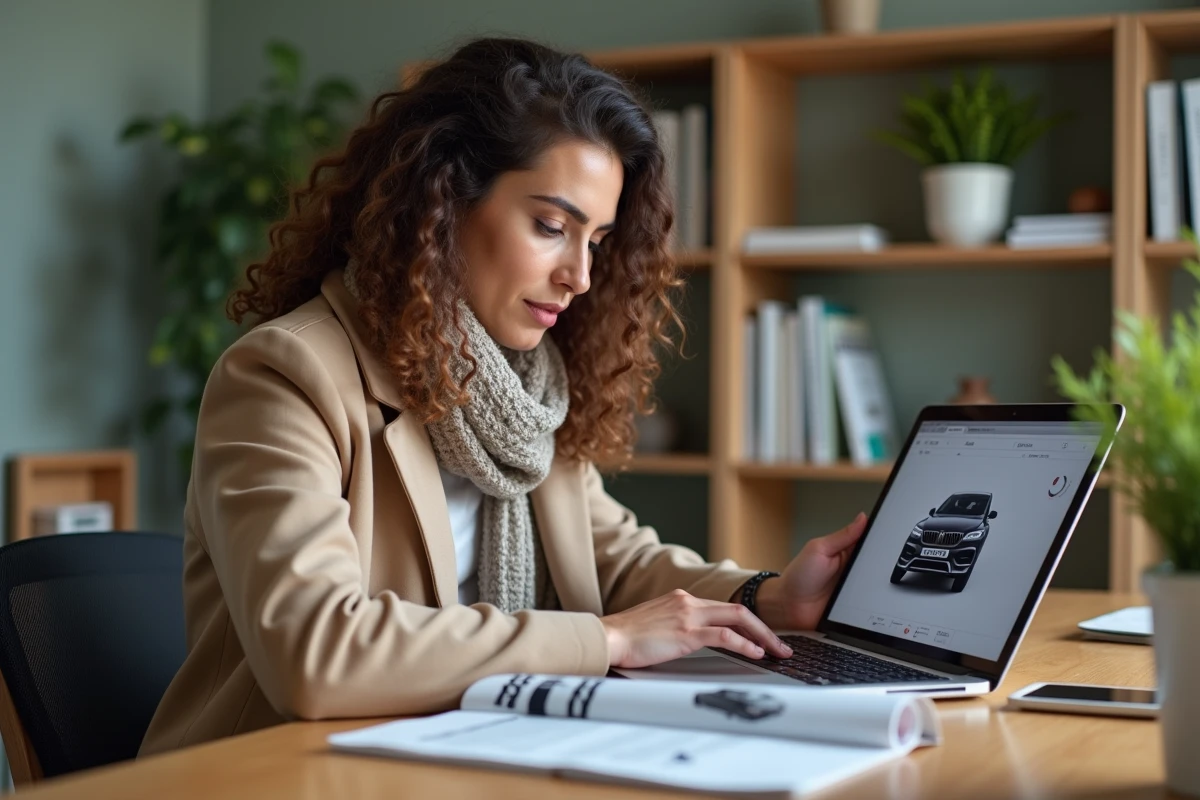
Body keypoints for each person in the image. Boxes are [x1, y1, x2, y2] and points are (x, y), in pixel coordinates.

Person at [139, 35, 866, 757]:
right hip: (284, 769)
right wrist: (607, 640)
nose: (580, 276)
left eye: (596, 241)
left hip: (461, 749)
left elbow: (612, 561)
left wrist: (769, 596)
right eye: (551, 227)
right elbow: (317, 650)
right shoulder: (284, 374)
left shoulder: (530, 389)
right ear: (443, 198)